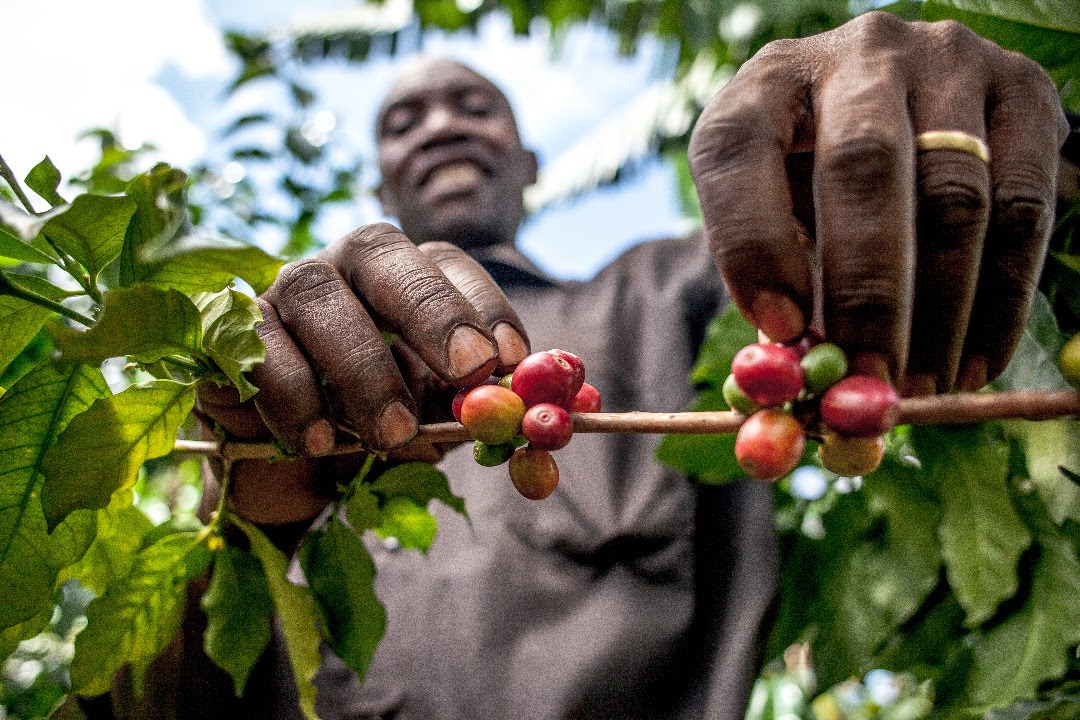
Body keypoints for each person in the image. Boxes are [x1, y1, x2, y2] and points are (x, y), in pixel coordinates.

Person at [93, 10, 1071, 720]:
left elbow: (857, 231)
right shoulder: (276, 399)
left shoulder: (669, 295)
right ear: (379, 182)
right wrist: (249, 524)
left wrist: (910, 111)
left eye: (472, 105)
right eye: (404, 123)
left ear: (526, 160)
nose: (439, 126)